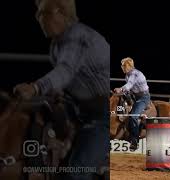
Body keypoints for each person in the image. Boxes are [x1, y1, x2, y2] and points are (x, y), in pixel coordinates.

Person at [13, 0, 110, 179]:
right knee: (33, 111)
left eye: (45, 13)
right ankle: (36, 165)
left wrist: (36, 87)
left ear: (62, 13)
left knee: (76, 174)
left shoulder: (77, 37)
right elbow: (71, 78)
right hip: (77, 110)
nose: (40, 19)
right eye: (38, 14)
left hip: (100, 117)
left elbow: (65, 70)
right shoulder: (58, 44)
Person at [114, 57, 150, 151]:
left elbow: (129, 85)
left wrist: (121, 89)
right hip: (134, 96)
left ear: (129, 66)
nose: (122, 67)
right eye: (122, 66)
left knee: (133, 116)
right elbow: (129, 89)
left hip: (143, 98)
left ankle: (135, 140)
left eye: (123, 66)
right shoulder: (127, 75)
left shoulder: (134, 74)